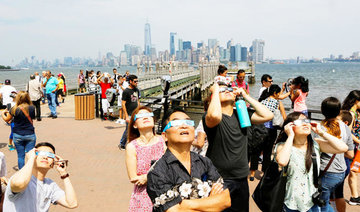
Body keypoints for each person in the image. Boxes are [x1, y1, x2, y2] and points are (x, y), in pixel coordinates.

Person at [203, 82, 273, 212]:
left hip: (241, 177)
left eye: (229, 89)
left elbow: (268, 115)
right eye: (222, 90)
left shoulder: (242, 115)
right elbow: (213, 115)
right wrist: (215, 90)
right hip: (219, 178)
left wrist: (245, 96)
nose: (227, 91)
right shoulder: (211, 117)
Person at [147, 108, 231, 212]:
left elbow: (226, 199)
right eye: (176, 123)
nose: (184, 126)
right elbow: (175, 210)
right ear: (165, 136)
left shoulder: (204, 162)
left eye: (188, 122)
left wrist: (185, 205)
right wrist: (210, 201)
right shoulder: (157, 171)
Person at [275, 112, 348, 212]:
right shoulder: (283, 146)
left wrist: (322, 133)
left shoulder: (315, 144)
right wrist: (290, 136)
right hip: (290, 204)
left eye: (306, 121)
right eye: (299, 122)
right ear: (290, 126)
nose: (305, 123)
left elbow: (343, 148)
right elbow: (282, 161)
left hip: (311, 202)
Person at [3, 142, 78, 211]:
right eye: (40, 153)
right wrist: (31, 159)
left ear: (53, 163)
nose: (45, 157)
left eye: (50, 155)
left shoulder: (50, 185)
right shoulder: (19, 178)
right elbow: (19, 184)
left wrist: (64, 173)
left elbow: (72, 204)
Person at [316, 97, 354, 211]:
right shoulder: (345, 127)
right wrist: (338, 153)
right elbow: (350, 154)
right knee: (337, 196)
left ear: (322, 111)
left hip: (326, 172)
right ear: (339, 111)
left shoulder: (319, 128)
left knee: (322, 204)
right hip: (342, 171)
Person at [125, 106, 166, 211]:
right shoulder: (132, 147)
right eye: (141, 116)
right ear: (134, 124)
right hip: (143, 197)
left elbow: (171, 168)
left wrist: (147, 178)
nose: (145, 117)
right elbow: (133, 177)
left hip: (165, 192)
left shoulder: (164, 141)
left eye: (149, 115)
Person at [255, 84, 286, 177]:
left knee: (257, 150)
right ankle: (265, 173)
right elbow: (284, 116)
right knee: (267, 152)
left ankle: (252, 171)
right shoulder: (278, 102)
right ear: (275, 93)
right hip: (271, 129)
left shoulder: (262, 101)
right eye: (279, 93)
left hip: (260, 129)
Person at [1, 91, 36, 169]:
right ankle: (31, 171)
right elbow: (33, 118)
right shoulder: (32, 107)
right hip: (30, 133)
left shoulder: (14, 108)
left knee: (21, 156)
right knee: (31, 156)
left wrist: (3, 113)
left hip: (18, 134)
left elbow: (7, 119)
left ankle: (21, 173)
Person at [330, 110, 355, 212]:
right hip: (344, 166)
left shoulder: (340, 133)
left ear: (345, 123)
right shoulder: (347, 133)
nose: (334, 121)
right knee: (339, 193)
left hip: (339, 166)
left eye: (337, 119)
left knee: (332, 195)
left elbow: (350, 154)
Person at [341, 90, 360, 205]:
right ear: (357, 101)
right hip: (353, 146)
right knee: (352, 170)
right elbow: (349, 132)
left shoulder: (356, 112)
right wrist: (358, 140)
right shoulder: (351, 114)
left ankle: (355, 196)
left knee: (353, 170)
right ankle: (354, 197)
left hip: (355, 146)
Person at [119, 75, 140, 150]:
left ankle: (135, 144)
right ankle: (122, 143)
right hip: (129, 114)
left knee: (137, 129)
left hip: (136, 113)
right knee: (128, 129)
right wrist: (126, 116)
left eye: (137, 81)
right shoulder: (126, 91)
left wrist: (139, 111)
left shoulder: (137, 90)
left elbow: (138, 100)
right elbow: (123, 104)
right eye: (135, 81)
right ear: (130, 81)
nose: (136, 83)